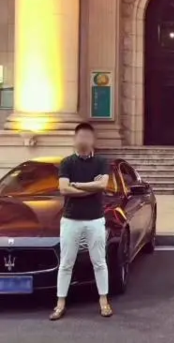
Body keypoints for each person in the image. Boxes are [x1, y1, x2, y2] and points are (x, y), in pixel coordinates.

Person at [49, 122, 112, 320]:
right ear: (74, 139)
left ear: (93, 140)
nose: (84, 140)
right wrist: (90, 188)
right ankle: (60, 303)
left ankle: (104, 301)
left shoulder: (101, 162)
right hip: (71, 219)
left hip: (95, 219)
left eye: (87, 136)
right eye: (80, 136)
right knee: (66, 263)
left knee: (99, 262)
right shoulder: (67, 163)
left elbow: (102, 185)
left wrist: (76, 185)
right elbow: (63, 189)